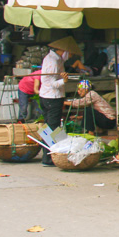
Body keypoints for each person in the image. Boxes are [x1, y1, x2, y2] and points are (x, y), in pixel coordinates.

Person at [39, 36, 82, 165]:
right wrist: (63, 81)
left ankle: (50, 155)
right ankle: (48, 157)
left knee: (50, 126)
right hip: (51, 97)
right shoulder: (53, 62)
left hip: (48, 96)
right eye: (70, 54)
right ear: (64, 51)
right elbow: (51, 83)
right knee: (52, 127)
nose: (70, 56)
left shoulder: (55, 59)